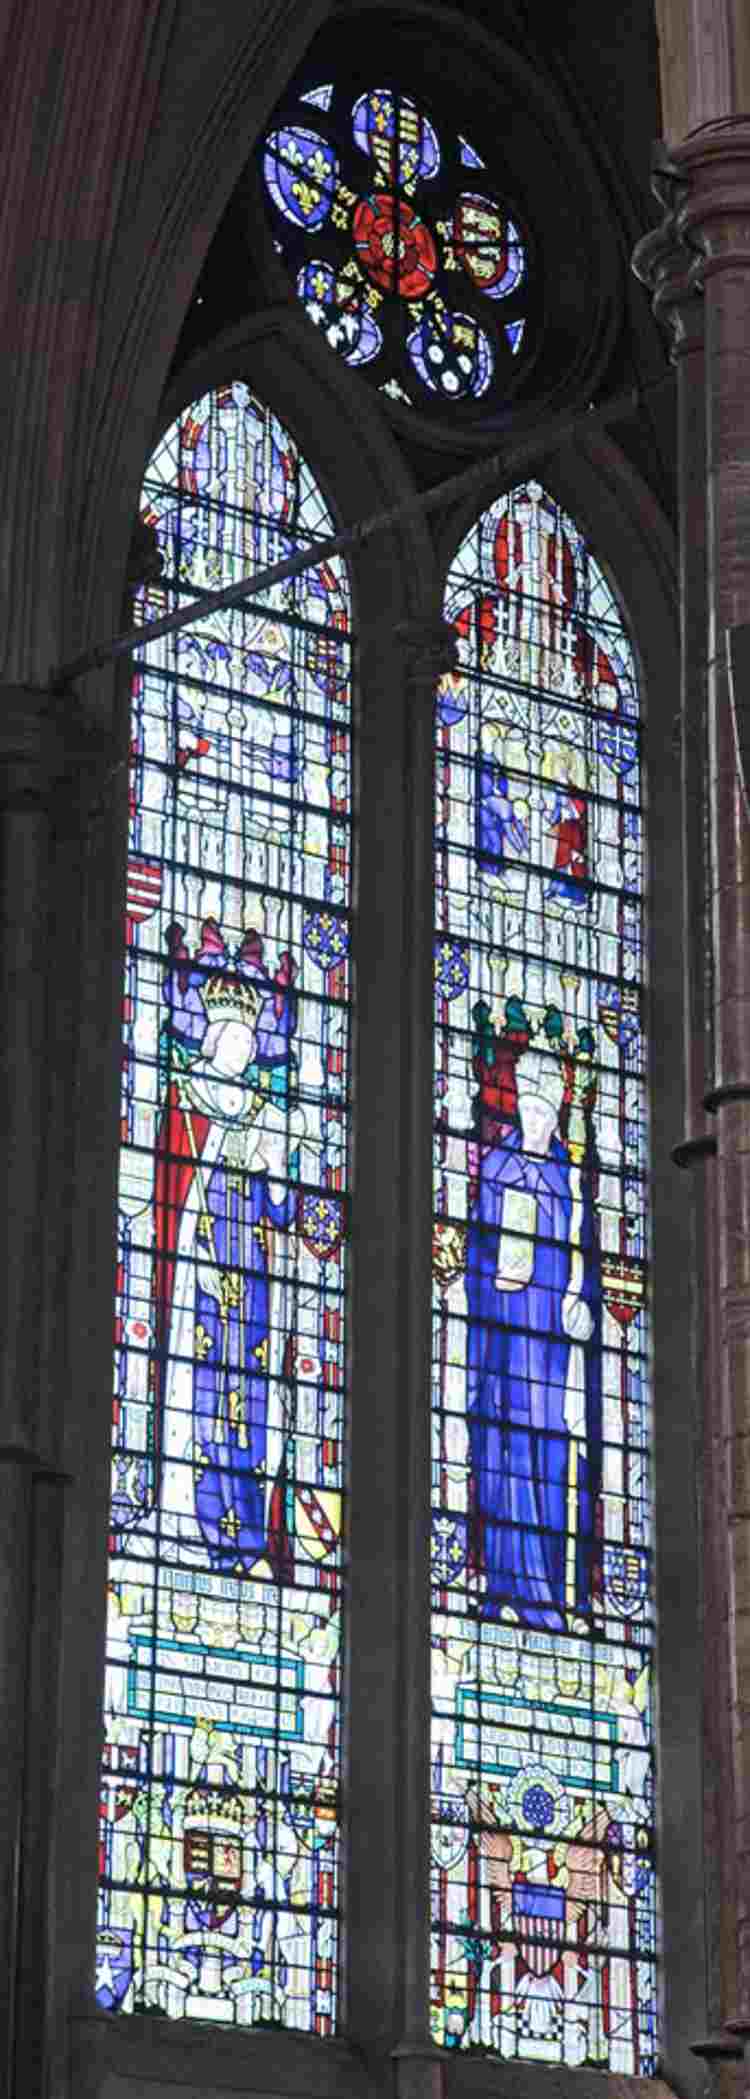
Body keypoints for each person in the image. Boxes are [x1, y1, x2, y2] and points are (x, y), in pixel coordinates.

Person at [151, 971, 312, 1576]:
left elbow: (280, 1212)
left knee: (254, 1407)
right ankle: (199, 1526)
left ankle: (246, 1540)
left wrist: (276, 1169)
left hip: (254, 1284)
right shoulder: (187, 1104)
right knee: (206, 1402)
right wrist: (202, 1266)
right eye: (234, 1040)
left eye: (250, 1042)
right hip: (201, 1280)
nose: (242, 1051)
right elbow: (172, 1195)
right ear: (214, 1039)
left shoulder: (263, 1114)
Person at [465, 1050, 602, 1630]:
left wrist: (583, 1308)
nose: (539, 1114)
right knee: (503, 1451)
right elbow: (472, 1252)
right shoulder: (497, 1170)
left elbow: (588, 1262)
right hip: (505, 1342)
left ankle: (547, 1592)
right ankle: (502, 1582)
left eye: (549, 1104)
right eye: (530, 1102)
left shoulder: (567, 1182)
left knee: (550, 1452)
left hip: (550, 1355)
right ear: (520, 1104)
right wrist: (491, 1276)